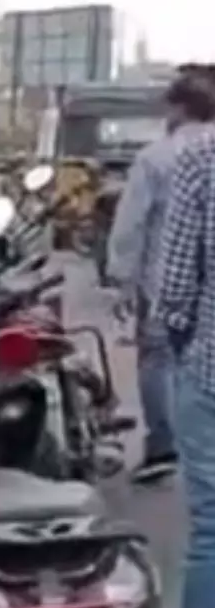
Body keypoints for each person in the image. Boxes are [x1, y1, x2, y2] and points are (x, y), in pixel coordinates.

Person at [148, 76, 215, 608]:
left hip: (212, 370)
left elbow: (172, 285)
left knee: (214, 534)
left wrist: (177, 340)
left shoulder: (201, 157)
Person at [106, 84, 198, 484]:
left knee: (158, 359)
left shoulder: (156, 157)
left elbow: (131, 224)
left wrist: (121, 278)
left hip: (162, 278)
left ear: (178, 108)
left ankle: (163, 445)